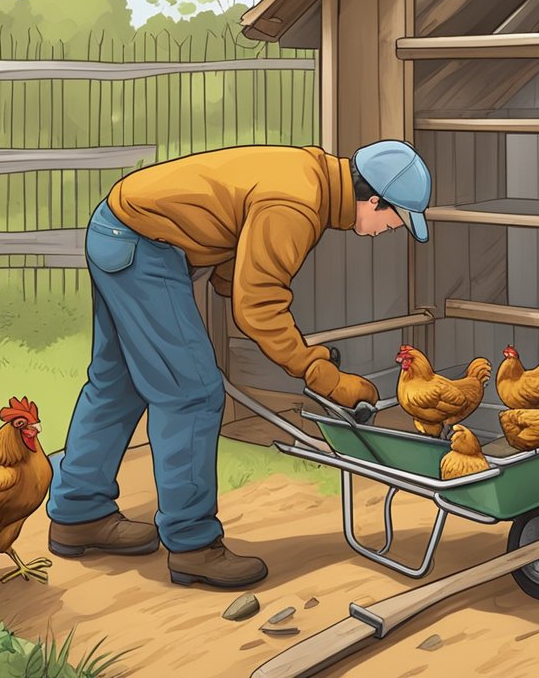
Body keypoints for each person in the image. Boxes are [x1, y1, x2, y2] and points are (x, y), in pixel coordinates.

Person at [45, 140, 432, 589]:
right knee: (193, 393)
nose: (389, 230)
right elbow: (259, 305)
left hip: (119, 230)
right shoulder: (298, 203)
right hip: (144, 247)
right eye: (394, 220)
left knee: (119, 383)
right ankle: (192, 546)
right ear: (374, 199)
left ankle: (79, 512)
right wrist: (321, 374)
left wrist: (241, 288)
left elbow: (235, 236)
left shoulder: (309, 177)